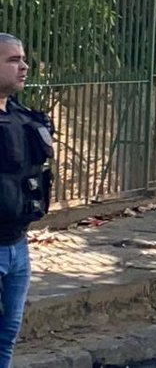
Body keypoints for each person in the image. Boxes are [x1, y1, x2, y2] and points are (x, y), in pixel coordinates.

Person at [0, 34, 53, 365]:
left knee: (7, 334)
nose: (24, 66)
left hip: (18, 245)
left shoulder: (22, 117)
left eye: (23, 59)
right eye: (13, 60)